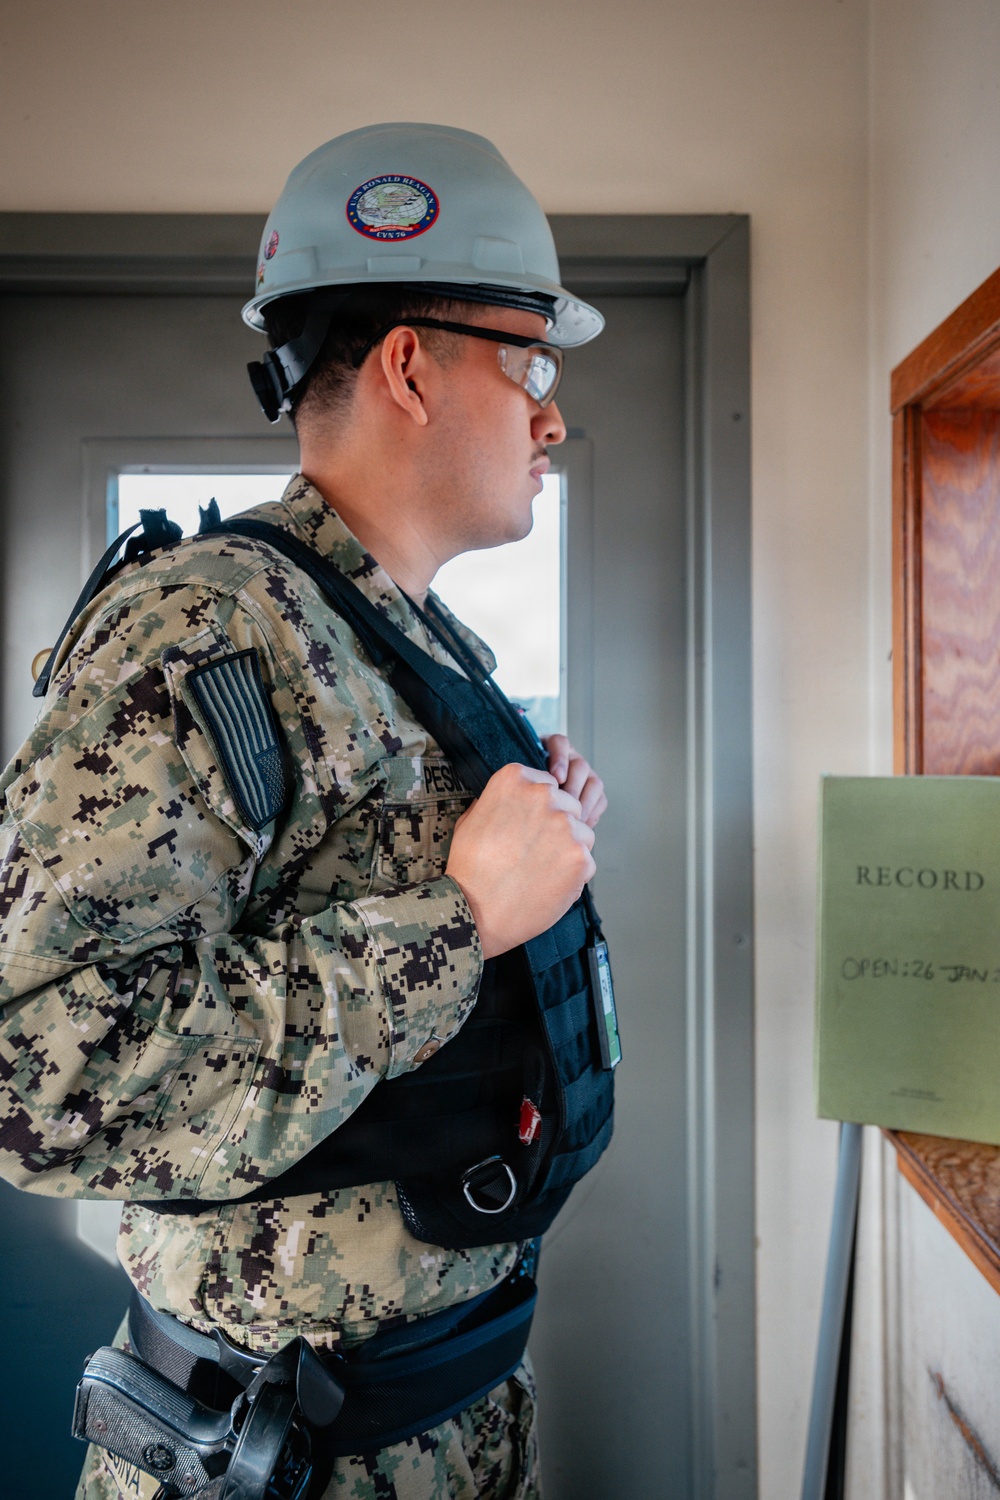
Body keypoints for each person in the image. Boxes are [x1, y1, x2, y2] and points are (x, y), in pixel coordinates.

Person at [0, 122, 616, 1500]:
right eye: (532, 363)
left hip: (447, 1425)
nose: (553, 416)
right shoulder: (204, 628)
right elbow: (41, 1072)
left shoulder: (412, 646)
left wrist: (536, 868)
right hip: (277, 1466)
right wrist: (456, 920)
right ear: (411, 364)